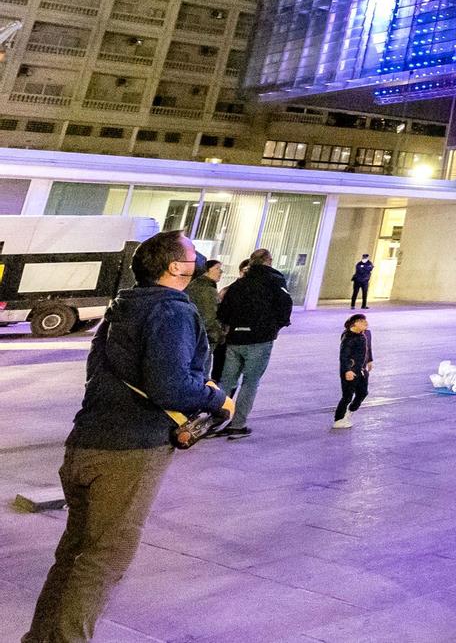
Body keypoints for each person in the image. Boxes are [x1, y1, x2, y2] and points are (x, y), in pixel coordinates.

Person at [23, 229, 231, 643]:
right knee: (104, 559)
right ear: (175, 267)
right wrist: (216, 398)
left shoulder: (122, 307)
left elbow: (98, 375)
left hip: (85, 442)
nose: (199, 258)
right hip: (129, 452)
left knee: (74, 555)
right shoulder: (173, 310)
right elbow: (169, 386)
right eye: (191, 253)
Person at [215, 247, 293, 439]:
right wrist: (275, 326)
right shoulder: (275, 282)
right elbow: (285, 305)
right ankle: (238, 425)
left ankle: (213, 422)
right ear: (269, 261)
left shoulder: (239, 284)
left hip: (235, 339)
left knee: (227, 381)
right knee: (250, 383)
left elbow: (223, 310)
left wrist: (232, 326)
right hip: (260, 339)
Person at [184, 256, 226, 377]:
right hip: (206, 338)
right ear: (207, 270)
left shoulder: (195, 285)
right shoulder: (207, 290)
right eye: (217, 268)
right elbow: (209, 317)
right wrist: (220, 334)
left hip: (192, 334)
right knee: (202, 373)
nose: (221, 272)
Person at [332, 314, 373, 429]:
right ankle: (338, 419)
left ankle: (349, 412)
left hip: (362, 370)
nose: (366, 324)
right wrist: (347, 370)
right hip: (351, 371)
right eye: (362, 322)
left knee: (363, 393)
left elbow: (368, 348)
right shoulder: (348, 337)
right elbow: (343, 356)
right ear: (355, 323)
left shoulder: (365, 333)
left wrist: (369, 360)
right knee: (347, 396)